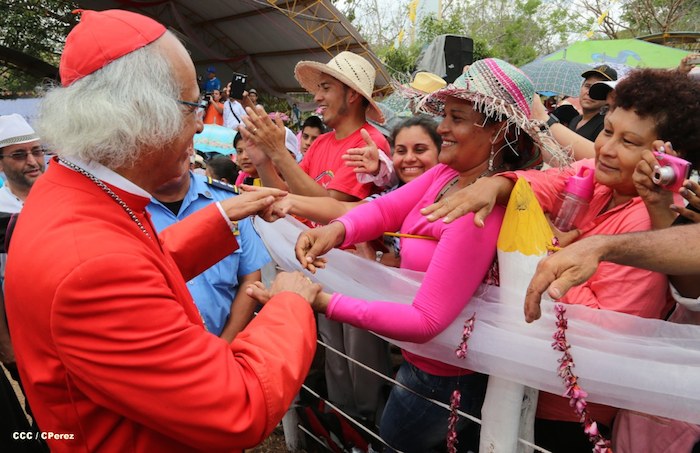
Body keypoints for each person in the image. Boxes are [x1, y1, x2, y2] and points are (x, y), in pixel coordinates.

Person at [4, 9, 319, 452]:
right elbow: (238, 406)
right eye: (192, 107)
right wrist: (290, 304)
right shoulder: (93, 266)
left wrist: (221, 217)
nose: (199, 124)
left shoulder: (70, 189)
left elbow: (140, 262)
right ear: (140, 114)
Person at [280, 58, 564, 452]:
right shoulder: (449, 175)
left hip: (442, 378)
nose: (441, 128)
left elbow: (426, 320)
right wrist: (337, 230)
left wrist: (324, 301)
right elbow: (387, 208)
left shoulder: (477, 210)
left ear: (498, 131)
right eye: (444, 115)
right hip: (425, 365)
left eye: (456, 118)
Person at [422, 68, 700, 453]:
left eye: (629, 141)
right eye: (607, 131)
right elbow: (545, 182)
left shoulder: (653, 227)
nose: (606, 148)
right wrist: (495, 184)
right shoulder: (596, 178)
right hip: (526, 381)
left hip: (573, 409)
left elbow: (606, 331)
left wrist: (546, 249)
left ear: (669, 159)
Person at [241, 51, 393, 427]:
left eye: (325, 88)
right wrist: (263, 160)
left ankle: (368, 433)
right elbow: (291, 198)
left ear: (352, 95)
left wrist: (280, 153)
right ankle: (343, 430)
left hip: (357, 270)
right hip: (322, 265)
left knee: (362, 363)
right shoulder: (323, 143)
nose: (317, 97)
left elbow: (331, 208)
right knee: (337, 360)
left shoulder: (369, 144)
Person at [147, 157, 270, 342]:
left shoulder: (229, 200)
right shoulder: (125, 207)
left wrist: (224, 345)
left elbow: (250, 279)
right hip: (157, 347)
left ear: (189, 148)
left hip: (223, 341)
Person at [0, 114, 48, 453]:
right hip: (26, 339)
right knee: (44, 416)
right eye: (19, 155)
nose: (32, 161)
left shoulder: (64, 198)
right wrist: (6, 346)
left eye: (37, 151)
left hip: (78, 329)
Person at [563, 65, 617, 141]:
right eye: (587, 86)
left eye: (598, 90)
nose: (589, 93)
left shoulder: (606, 126)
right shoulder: (575, 120)